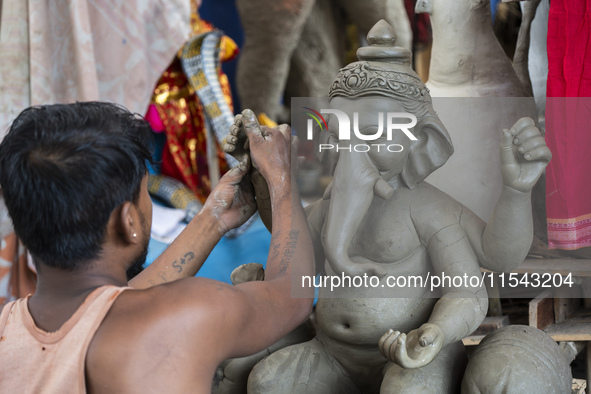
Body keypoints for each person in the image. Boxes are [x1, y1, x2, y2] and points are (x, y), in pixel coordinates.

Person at [0, 102, 314, 393]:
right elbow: (290, 295)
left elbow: (105, 309)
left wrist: (213, 219)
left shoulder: (7, 329)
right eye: (143, 195)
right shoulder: (186, 314)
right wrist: (282, 179)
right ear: (129, 222)